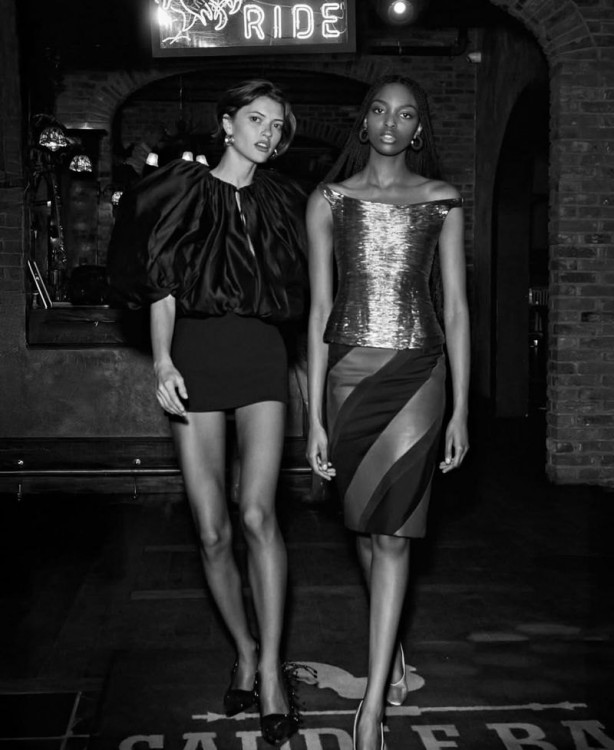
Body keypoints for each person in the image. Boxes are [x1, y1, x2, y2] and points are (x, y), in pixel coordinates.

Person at [108, 79, 307, 747]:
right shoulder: (182, 190)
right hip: (195, 354)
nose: (267, 133)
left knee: (257, 515)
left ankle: (272, 673)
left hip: (261, 354)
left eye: (277, 125)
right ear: (227, 123)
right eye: (256, 119)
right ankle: (244, 651)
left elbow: (316, 285)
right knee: (214, 531)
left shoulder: (285, 200)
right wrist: (163, 360)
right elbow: (161, 284)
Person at [306, 74, 470, 750]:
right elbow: (319, 309)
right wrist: (313, 415)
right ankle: (391, 651)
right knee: (365, 528)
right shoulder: (329, 200)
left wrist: (462, 410)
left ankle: (372, 706)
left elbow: (456, 309)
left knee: (396, 535)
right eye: (379, 111)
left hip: (418, 374)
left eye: (405, 115)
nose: (390, 124)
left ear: (418, 128)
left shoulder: (442, 200)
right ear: (364, 121)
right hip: (348, 375)